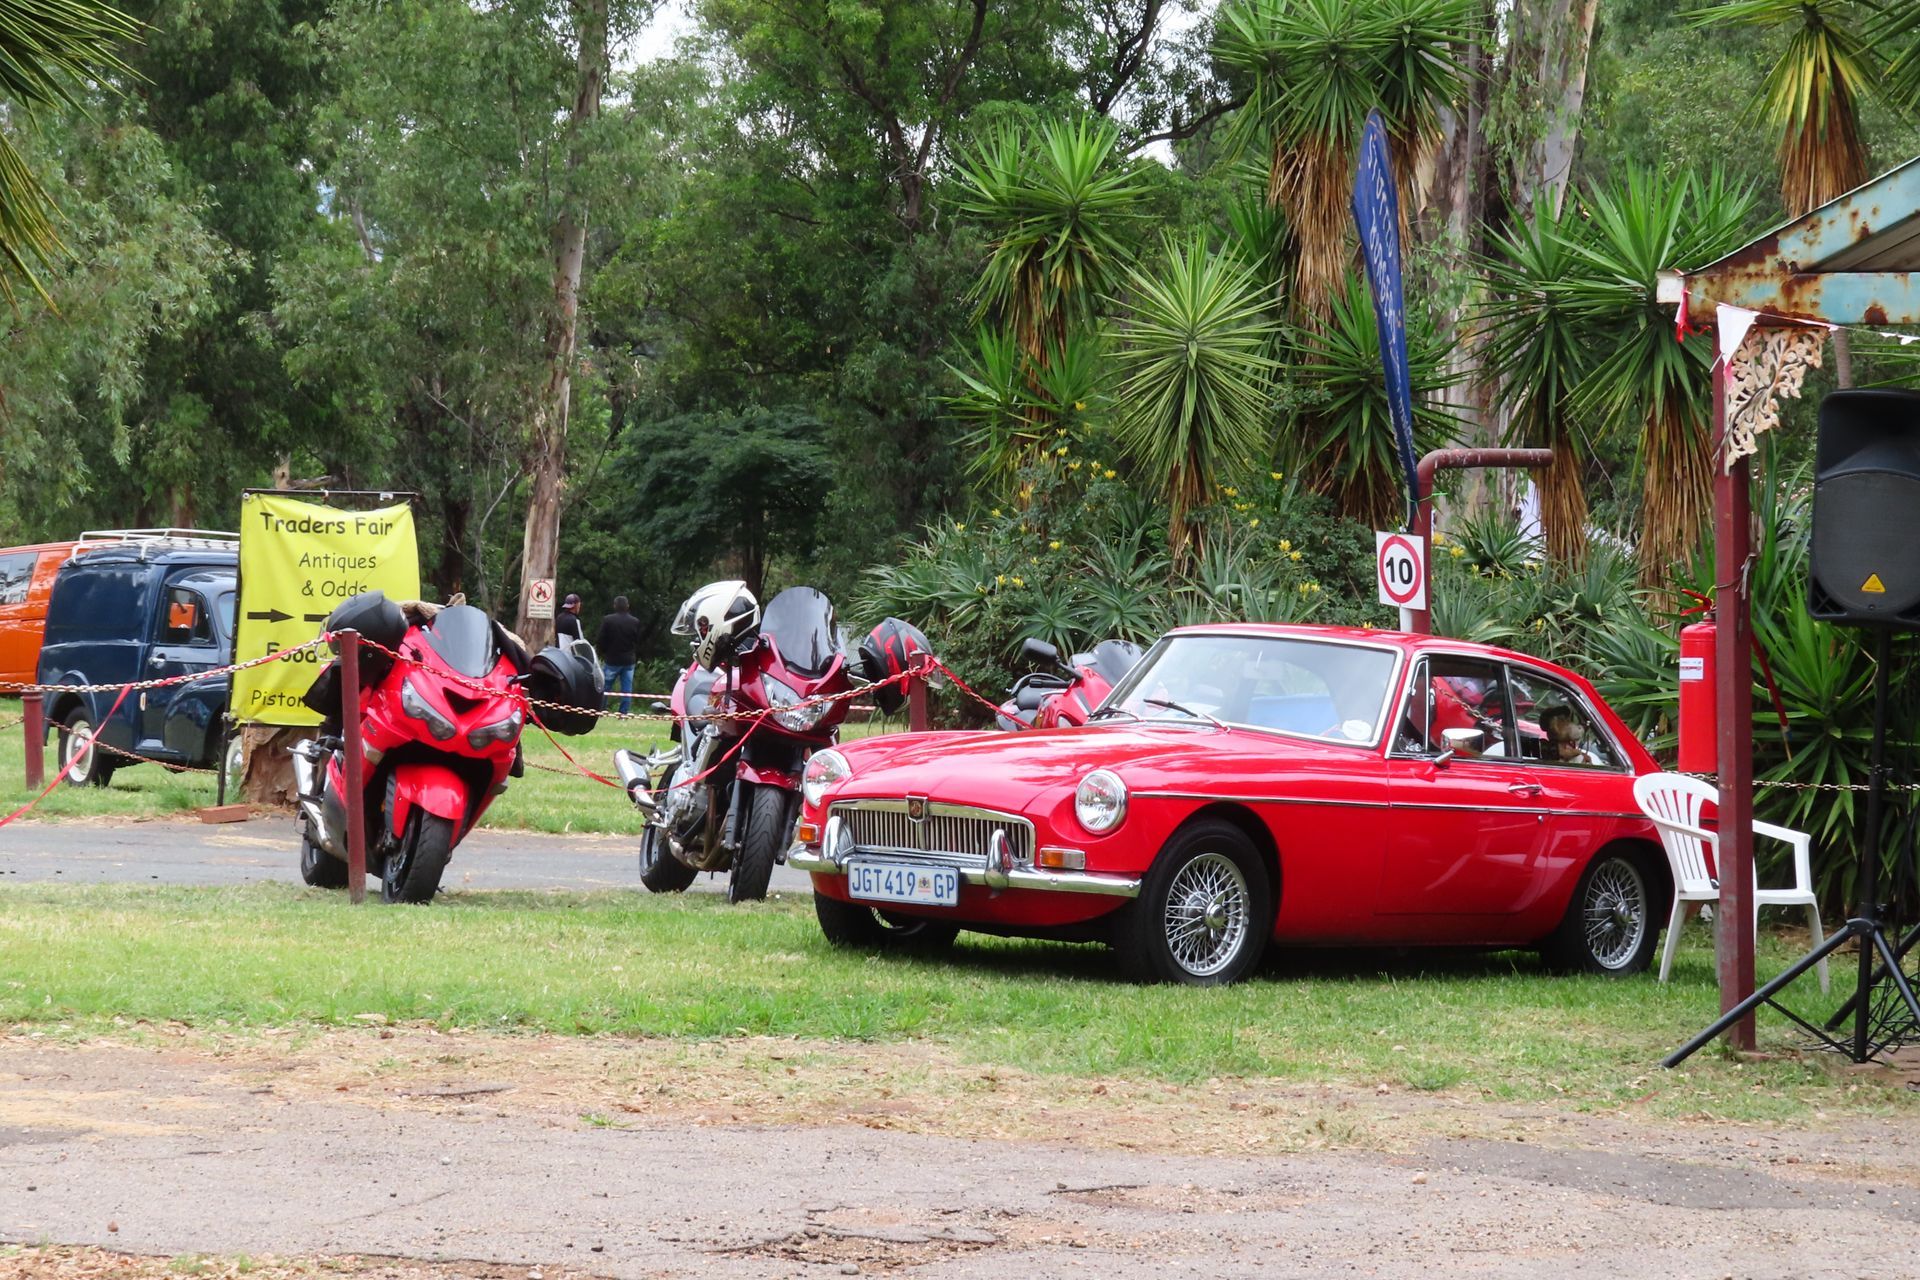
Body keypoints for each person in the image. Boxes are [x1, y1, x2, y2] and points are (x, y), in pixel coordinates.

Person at [596, 595, 642, 714]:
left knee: (605, 687)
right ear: (627, 606)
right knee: (626, 688)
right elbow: (637, 640)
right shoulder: (635, 621)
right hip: (629, 660)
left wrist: (602, 652)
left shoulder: (608, 620)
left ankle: (601, 709)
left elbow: (601, 639)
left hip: (612, 659)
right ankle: (623, 712)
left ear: (615, 606)